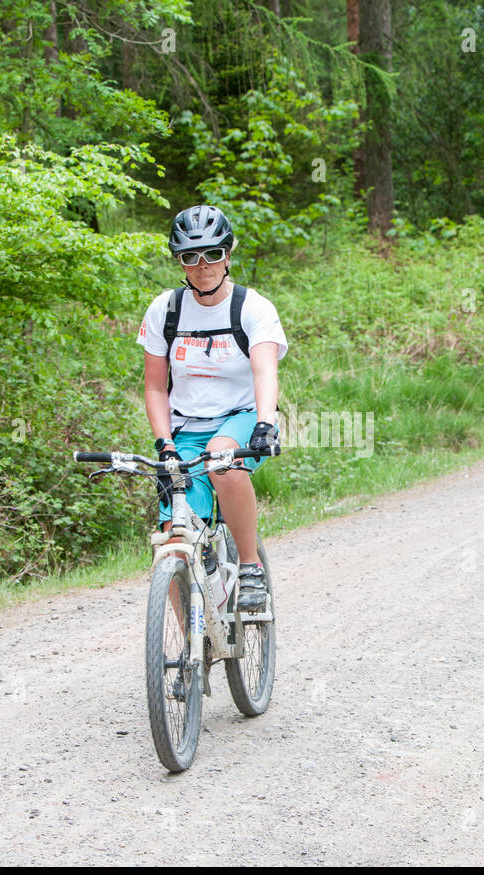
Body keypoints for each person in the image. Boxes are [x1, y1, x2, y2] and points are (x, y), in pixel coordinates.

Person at [136, 205, 287, 610]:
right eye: (190, 257)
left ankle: (251, 567)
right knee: (172, 541)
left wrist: (265, 424)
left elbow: (264, 374)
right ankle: (190, 654)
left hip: (241, 418)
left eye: (212, 255)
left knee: (222, 460)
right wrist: (164, 444)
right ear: (180, 262)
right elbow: (154, 388)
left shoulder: (253, 308)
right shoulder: (165, 311)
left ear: (228, 256)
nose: (202, 266)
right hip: (186, 427)